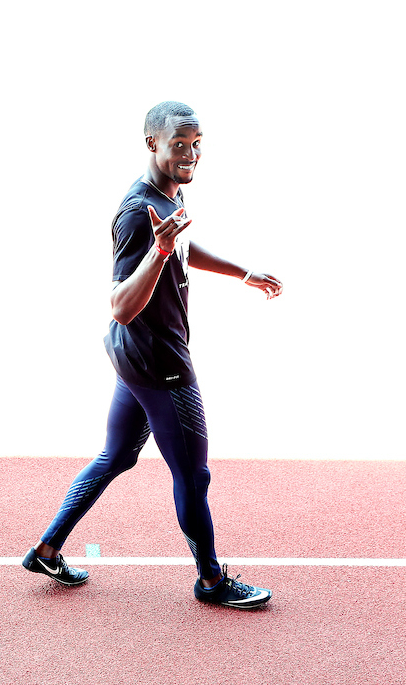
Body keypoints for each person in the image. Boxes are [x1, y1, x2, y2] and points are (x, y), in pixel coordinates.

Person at [22, 101, 283, 609]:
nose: (192, 154)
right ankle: (211, 581)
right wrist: (158, 252)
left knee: (117, 455)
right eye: (180, 144)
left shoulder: (168, 197)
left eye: (197, 143)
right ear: (152, 144)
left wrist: (243, 273)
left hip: (134, 362)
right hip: (160, 366)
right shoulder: (139, 214)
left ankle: (48, 547)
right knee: (193, 475)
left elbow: (183, 246)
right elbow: (120, 305)